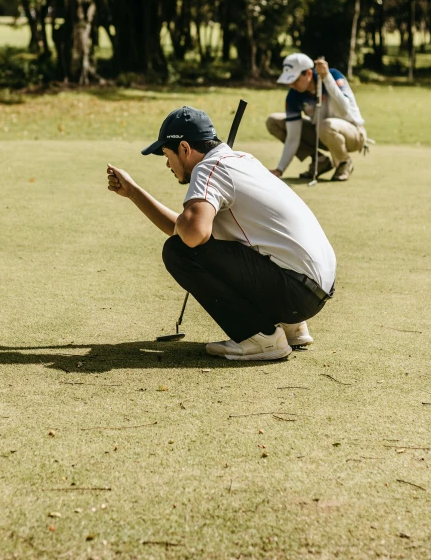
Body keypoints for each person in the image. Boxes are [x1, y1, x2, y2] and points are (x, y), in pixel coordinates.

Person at [107, 106, 336, 361]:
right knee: (196, 243)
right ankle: (288, 326)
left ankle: (261, 338)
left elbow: (191, 236)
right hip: (313, 291)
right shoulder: (244, 160)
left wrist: (190, 215)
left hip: (293, 292)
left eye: (166, 153)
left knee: (178, 253)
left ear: (184, 148)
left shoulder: (209, 168)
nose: (166, 163)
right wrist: (134, 193)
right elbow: (184, 229)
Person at [267, 53, 367, 182]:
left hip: (354, 134)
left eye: (295, 80)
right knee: (274, 121)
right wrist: (279, 169)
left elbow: (344, 110)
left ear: (308, 74)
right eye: (289, 81)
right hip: (322, 133)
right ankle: (320, 161)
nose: (292, 85)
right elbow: (293, 137)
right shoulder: (294, 95)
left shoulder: (334, 76)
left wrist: (326, 78)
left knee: (325, 125)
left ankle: (344, 162)